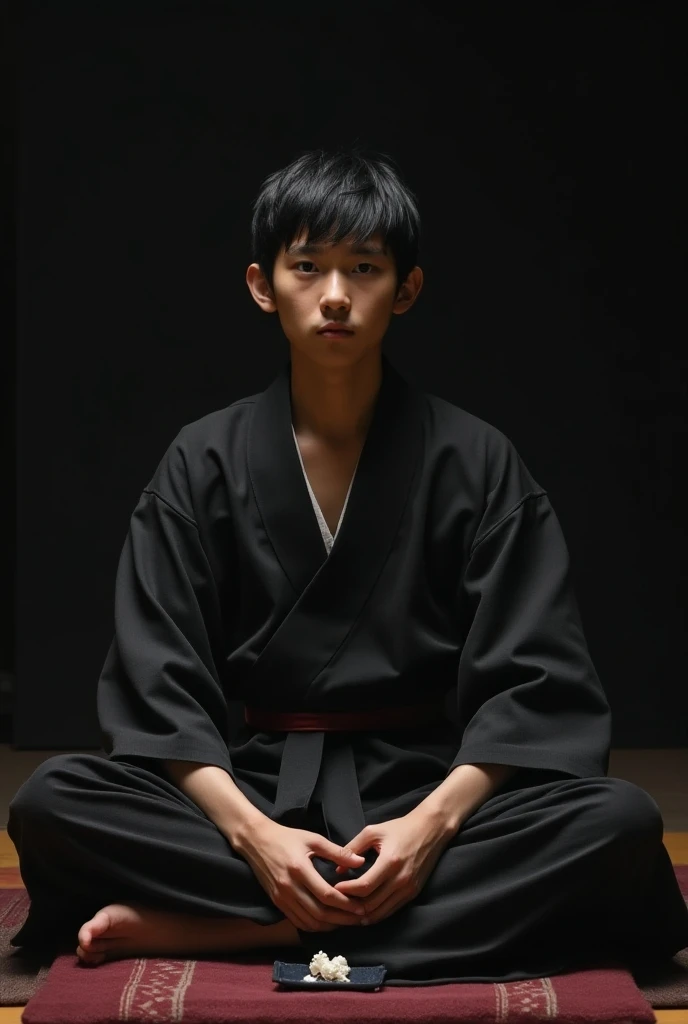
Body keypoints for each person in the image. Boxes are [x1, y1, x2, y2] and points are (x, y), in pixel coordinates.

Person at [7, 148, 688, 984]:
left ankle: (243, 933)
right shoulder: (201, 462)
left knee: (616, 824)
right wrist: (255, 837)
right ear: (264, 285)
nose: (335, 295)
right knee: (50, 804)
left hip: (426, 784)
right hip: (250, 785)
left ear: (405, 288)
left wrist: (430, 828)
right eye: (308, 267)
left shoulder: (477, 461)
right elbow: (159, 687)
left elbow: (536, 684)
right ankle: (336, 916)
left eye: (363, 268)